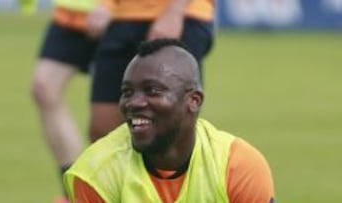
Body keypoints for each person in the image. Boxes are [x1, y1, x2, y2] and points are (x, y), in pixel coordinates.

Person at [64, 39, 275, 203]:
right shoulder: (97, 173)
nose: (134, 103)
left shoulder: (239, 167)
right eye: (127, 92)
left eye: (153, 90)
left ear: (193, 101)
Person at [87, 0, 214, 142]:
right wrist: (106, 4)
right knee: (102, 131)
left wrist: (175, 11)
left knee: (172, 131)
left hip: (182, 14)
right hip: (121, 16)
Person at [27, 0, 112, 202]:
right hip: (74, 10)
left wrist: (112, 5)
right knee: (44, 88)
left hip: (125, 12)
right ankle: (75, 191)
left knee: (120, 111)